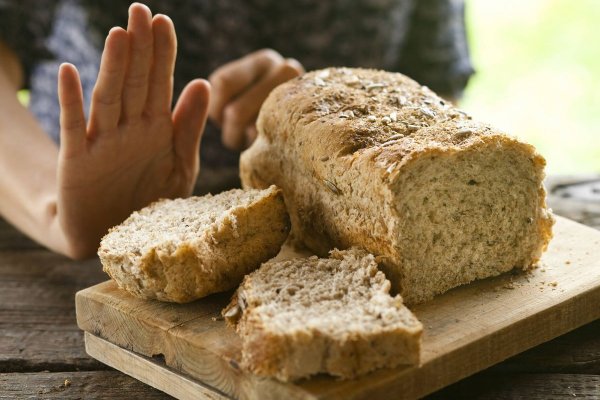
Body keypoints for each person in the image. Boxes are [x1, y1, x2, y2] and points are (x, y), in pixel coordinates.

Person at [0, 0, 473, 259]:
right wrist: (54, 206)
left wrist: (321, 115)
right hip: (46, 225)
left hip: (326, 242)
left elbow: (433, 96)